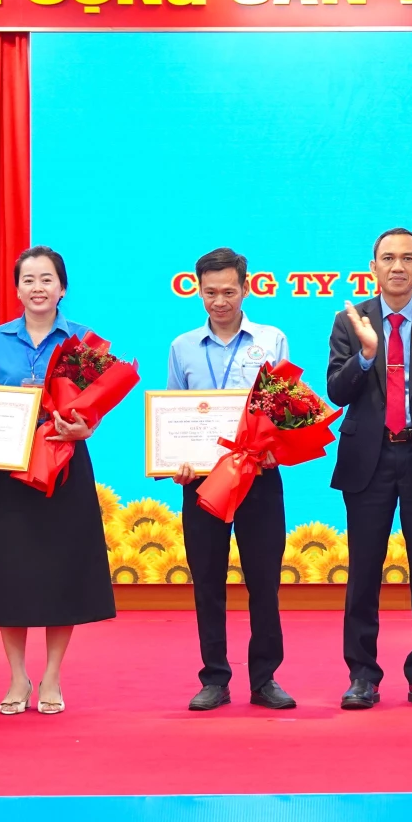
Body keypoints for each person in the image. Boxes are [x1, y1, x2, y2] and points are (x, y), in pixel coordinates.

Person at [0, 245, 116, 715]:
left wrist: (84, 428)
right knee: (10, 573)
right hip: (8, 470)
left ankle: (52, 675)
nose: (38, 288)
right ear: (17, 289)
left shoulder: (84, 342)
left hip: (64, 466)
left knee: (63, 572)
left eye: (46, 279)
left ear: (63, 288)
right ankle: (17, 676)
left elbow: (95, 409)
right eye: (28, 280)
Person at [326, 227, 412, 710]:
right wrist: (367, 356)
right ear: (374, 267)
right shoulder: (350, 321)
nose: (398, 267)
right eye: (388, 258)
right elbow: (337, 390)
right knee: (363, 572)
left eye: (408, 258)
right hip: (368, 458)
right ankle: (362, 675)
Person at [167, 247, 294, 711]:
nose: (219, 301)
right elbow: (172, 413)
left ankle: (265, 679)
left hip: (259, 477)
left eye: (228, 291)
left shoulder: (271, 339)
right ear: (197, 291)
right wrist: (175, 460)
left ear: (246, 288)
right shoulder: (182, 347)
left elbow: (284, 407)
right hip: (203, 481)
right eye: (209, 292)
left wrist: (277, 445)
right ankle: (214, 679)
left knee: (264, 582)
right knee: (207, 581)